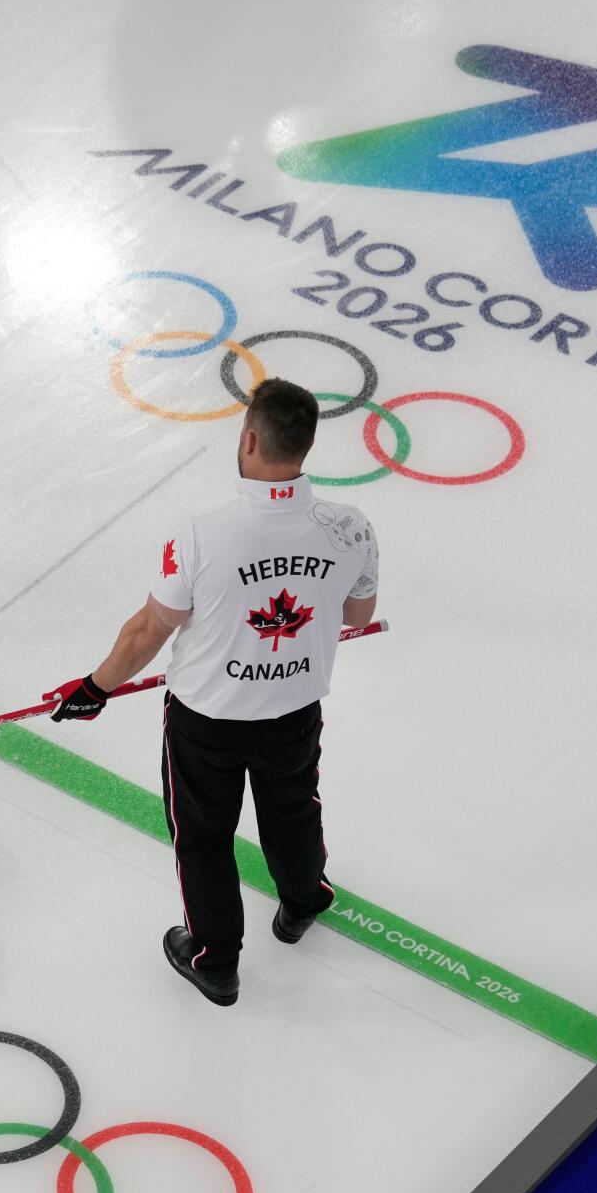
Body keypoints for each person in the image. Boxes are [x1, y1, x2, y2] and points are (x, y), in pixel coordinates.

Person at [45, 378, 379, 1006]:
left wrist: (96, 687)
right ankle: (304, 900)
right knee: (293, 809)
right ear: (305, 446)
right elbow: (358, 614)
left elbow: (149, 630)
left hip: (207, 722)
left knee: (203, 838)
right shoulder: (351, 528)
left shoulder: (199, 533)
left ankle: (215, 960)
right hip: (293, 709)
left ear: (249, 439)